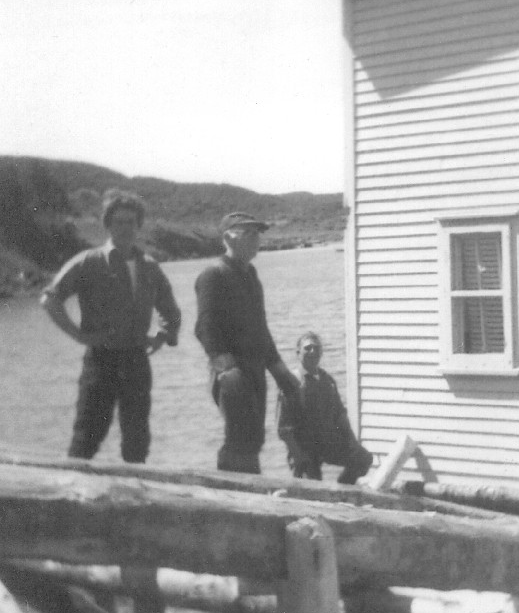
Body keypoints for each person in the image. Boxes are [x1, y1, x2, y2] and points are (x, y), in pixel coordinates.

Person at [40, 189, 181, 463]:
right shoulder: (89, 262)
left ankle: (135, 489)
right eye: (119, 221)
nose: (125, 228)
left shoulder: (149, 267)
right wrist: (78, 335)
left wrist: (163, 334)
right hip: (101, 361)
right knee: (87, 437)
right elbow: (50, 299)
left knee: (137, 440)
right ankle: (72, 489)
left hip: (136, 361)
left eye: (131, 222)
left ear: (139, 225)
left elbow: (170, 310)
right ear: (108, 224)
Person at [194, 211, 299, 474]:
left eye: (258, 234)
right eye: (249, 233)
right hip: (231, 372)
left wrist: (280, 371)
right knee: (240, 438)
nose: (256, 240)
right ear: (229, 237)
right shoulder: (213, 275)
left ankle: (249, 488)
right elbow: (206, 329)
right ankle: (232, 490)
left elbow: (260, 330)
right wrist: (228, 370)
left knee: (254, 438)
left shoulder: (250, 275)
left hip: (254, 369)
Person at [277, 331, 373, 484]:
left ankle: (341, 490)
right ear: (298, 353)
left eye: (316, 348)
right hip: (303, 448)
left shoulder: (327, 381)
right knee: (312, 487)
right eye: (307, 348)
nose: (312, 352)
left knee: (363, 459)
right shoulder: (291, 383)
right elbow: (284, 429)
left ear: (321, 353)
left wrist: (353, 443)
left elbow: (340, 416)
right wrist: (298, 455)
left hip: (326, 443)